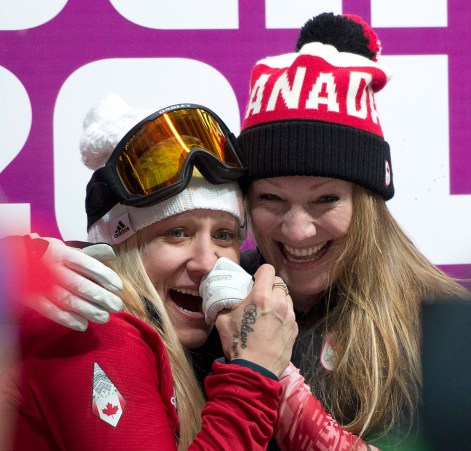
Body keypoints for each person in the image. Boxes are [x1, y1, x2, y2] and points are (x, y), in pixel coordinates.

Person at [0, 94, 298, 450]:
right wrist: (254, 372)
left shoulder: (206, 332)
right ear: (118, 247)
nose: (207, 262)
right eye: (176, 233)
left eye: (224, 235)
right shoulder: (93, 328)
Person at [236, 11, 470, 448]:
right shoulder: (220, 300)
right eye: (271, 198)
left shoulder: (440, 329)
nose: (298, 230)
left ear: (368, 202)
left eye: (326, 199)